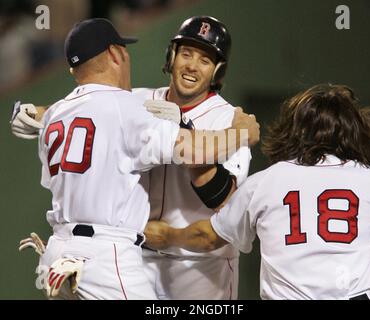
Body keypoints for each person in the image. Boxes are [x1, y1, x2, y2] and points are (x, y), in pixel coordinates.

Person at [12, 17, 259, 299]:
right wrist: (36, 111)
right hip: (134, 257)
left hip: (198, 267)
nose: (191, 65)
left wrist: (170, 235)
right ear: (172, 56)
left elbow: (225, 202)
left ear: (218, 70)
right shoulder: (137, 101)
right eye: (186, 53)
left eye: (204, 59)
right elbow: (91, 105)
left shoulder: (226, 117)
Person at [145, 84, 370, 300]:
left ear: (296, 131)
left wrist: (167, 235)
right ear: (354, 130)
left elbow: (208, 237)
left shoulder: (266, 181)